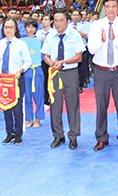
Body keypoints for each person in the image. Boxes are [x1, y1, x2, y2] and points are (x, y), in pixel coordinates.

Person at [88, 0, 118, 152]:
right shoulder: (95, 25)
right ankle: (101, 138)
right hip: (101, 71)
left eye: (114, 6)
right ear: (104, 8)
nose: (111, 9)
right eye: (107, 7)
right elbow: (91, 50)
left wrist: (115, 40)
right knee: (101, 106)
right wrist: (102, 41)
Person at [42, 9, 84, 149]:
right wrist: (50, 63)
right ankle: (58, 135)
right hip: (54, 73)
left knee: (73, 105)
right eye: (56, 20)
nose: (59, 23)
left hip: (70, 72)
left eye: (62, 20)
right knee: (55, 105)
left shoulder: (75, 35)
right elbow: (45, 55)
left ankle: (73, 136)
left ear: (67, 21)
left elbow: (79, 57)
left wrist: (64, 62)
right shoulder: (50, 36)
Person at [0, 17, 32, 145]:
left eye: (11, 27)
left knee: (18, 108)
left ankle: (19, 134)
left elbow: (28, 61)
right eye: (6, 27)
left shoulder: (21, 44)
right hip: (3, 81)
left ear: (15, 29)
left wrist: (21, 69)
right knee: (6, 108)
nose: (8, 30)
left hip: (16, 80)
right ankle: (10, 133)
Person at [23, 18, 45, 129]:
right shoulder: (21, 42)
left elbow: (44, 56)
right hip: (25, 71)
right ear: (25, 28)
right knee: (26, 96)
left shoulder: (40, 41)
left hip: (36, 70)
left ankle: (38, 119)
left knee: (39, 95)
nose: (30, 29)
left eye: (33, 27)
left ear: (36, 28)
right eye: (28, 26)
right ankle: (29, 119)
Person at [36, 13, 54, 105]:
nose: (44, 21)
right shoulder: (38, 32)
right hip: (40, 59)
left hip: (50, 59)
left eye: (46, 19)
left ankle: (49, 98)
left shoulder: (53, 32)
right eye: (43, 19)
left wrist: (45, 41)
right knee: (42, 80)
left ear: (51, 21)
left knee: (49, 80)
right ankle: (43, 99)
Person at [70, 9, 89, 93]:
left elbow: (86, 36)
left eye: (77, 15)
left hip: (81, 50)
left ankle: (80, 85)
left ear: (80, 17)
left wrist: (76, 31)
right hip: (71, 50)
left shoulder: (83, 26)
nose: (75, 17)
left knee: (81, 68)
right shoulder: (68, 26)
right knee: (72, 68)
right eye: (74, 15)